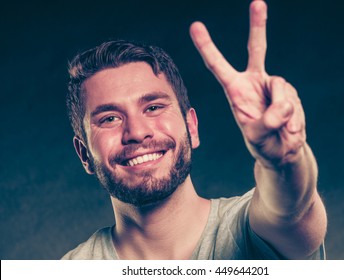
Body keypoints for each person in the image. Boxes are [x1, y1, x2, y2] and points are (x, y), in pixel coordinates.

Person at [62, 0, 327, 260]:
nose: (137, 132)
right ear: (84, 154)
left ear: (191, 127)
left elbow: (292, 211)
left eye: (153, 107)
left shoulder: (250, 232)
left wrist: (285, 163)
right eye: (109, 119)